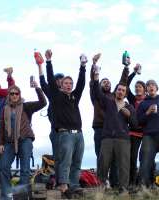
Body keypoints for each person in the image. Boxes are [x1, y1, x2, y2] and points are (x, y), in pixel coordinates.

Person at [45, 49, 87, 196]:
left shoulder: (75, 96)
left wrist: (83, 66)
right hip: (65, 134)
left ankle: (74, 185)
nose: (68, 85)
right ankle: (63, 186)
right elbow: (50, 79)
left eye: (70, 83)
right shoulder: (56, 96)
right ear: (61, 85)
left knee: (77, 161)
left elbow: (82, 83)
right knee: (65, 161)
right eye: (66, 83)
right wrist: (48, 62)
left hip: (79, 134)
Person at [0, 83, 47, 200]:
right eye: (12, 93)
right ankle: (7, 195)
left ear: (19, 95)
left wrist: (37, 88)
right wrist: (0, 143)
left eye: (16, 93)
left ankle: (21, 196)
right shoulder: (5, 109)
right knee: (3, 166)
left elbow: (43, 103)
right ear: (8, 96)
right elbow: (1, 128)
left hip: (25, 140)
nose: (14, 95)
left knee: (25, 169)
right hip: (9, 142)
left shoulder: (26, 106)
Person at [93, 69, 137, 194]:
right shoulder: (108, 102)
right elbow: (97, 93)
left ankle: (123, 190)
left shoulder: (129, 107)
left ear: (126, 93)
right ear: (115, 91)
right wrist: (96, 78)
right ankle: (100, 189)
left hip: (123, 139)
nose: (121, 91)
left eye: (123, 90)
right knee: (103, 164)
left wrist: (129, 115)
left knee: (123, 165)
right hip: (107, 138)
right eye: (119, 89)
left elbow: (135, 124)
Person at [89, 53, 130, 187]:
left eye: (108, 82)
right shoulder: (97, 96)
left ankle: (113, 184)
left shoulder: (113, 97)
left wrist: (126, 68)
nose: (107, 83)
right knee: (102, 159)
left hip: (114, 131)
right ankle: (101, 184)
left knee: (114, 160)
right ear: (100, 84)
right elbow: (93, 84)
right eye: (104, 81)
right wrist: (94, 66)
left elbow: (123, 82)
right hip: (100, 129)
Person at [37, 61, 64, 159]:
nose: (60, 81)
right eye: (58, 79)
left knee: (70, 158)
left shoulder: (70, 94)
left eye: (62, 79)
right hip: (56, 131)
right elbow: (43, 82)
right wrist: (40, 65)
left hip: (70, 131)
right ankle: (59, 174)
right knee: (58, 158)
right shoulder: (52, 93)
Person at [126, 64, 146, 187]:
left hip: (147, 133)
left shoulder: (149, 100)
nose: (137, 88)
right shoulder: (132, 99)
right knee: (132, 158)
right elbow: (126, 84)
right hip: (133, 133)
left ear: (144, 89)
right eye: (136, 87)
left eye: (140, 87)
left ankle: (145, 182)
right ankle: (132, 183)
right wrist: (133, 72)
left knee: (145, 158)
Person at [137, 80, 159, 188]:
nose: (151, 87)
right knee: (145, 160)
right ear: (147, 90)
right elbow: (139, 121)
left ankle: (156, 182)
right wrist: (147, 112)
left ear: (156, 88)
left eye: (153, 85)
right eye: (148, 85)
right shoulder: (143, 103)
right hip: (149, 135)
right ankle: (144, 186)